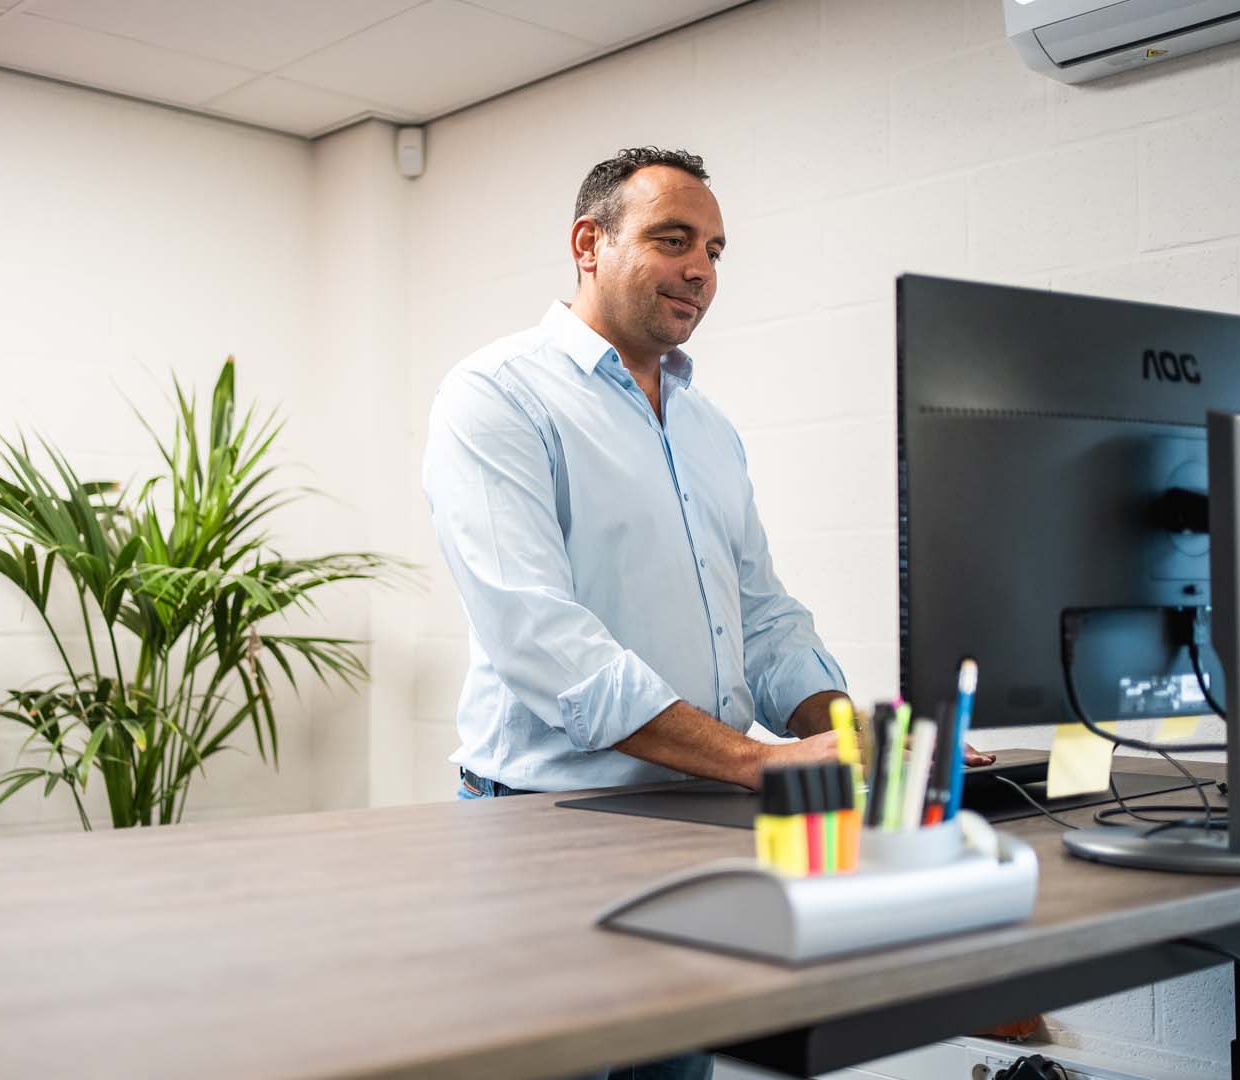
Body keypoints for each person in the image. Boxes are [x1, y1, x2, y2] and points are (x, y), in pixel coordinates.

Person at [421, 148, 990, 1079]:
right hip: (546, 823)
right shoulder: (497, 395)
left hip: (692, 813)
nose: (701, 271)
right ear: (589, 244)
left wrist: (848, 742)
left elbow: (763, 616)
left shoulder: (707, 426)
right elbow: (541, 638)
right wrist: (757, 762)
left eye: (715, 251)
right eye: (674, 240)